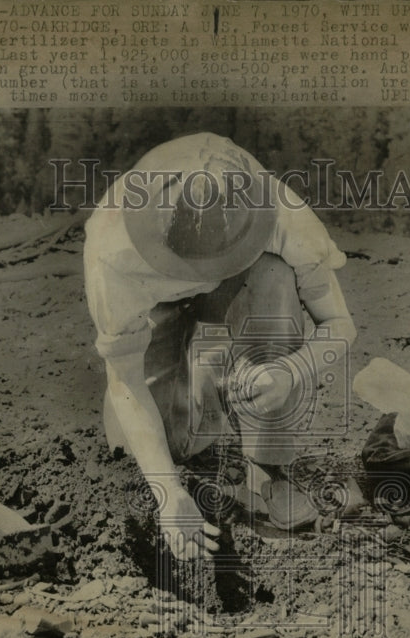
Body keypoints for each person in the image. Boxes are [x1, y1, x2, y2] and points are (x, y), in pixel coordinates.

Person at [83, 132, 357, 560]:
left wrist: (292, 371)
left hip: (241, 294)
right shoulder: (112, 250)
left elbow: (340, 325)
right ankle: (195, 412)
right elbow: (125, 384)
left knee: (275, 276)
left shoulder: (284, 216)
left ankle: (266, 467)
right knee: (149, 448)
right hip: (157, 310)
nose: (206, 273)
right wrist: (167, 491)